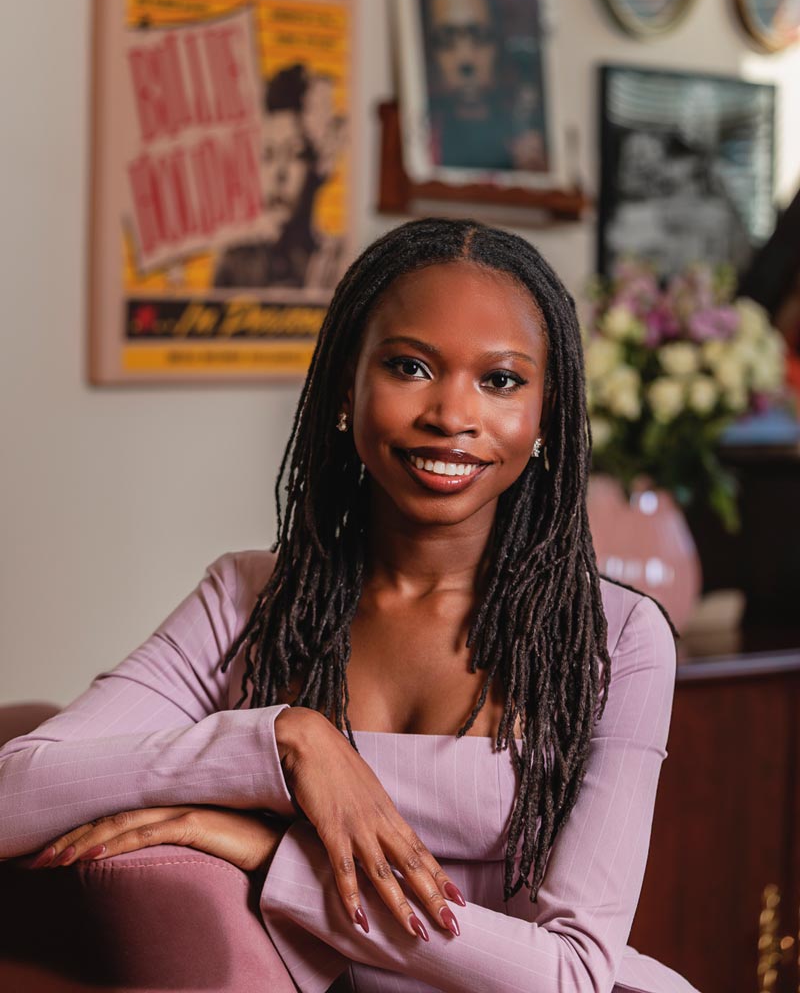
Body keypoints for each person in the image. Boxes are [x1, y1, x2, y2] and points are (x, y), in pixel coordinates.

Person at [0, 219, 697, 993]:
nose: (451, 415)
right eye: (409, 366)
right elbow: (14, 790)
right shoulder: (248, 601)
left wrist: (281, 860)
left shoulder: (617, 638)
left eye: (500, 381)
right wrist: (285, 745)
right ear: (346, 385)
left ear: (546, 412)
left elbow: (572, 973)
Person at [213, 62, 345, 291]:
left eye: (294, 154)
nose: (278, 174)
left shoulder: (339, 264)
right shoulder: (234, 264)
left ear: (320, 164)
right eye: (268, 155)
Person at [423, 0, 546, 173]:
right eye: (446, 39)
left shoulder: (528, 135)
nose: (466, 59)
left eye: (480, 36)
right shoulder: (421, 144)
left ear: (499, 45)